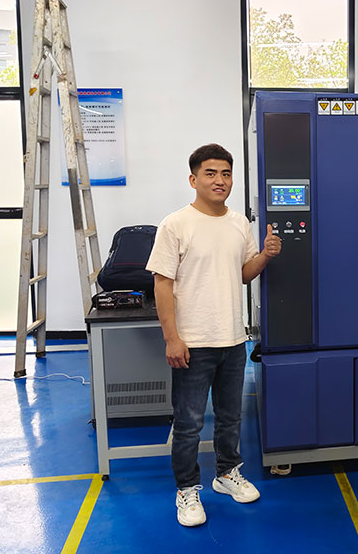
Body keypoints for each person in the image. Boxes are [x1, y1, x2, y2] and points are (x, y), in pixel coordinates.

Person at [146, 143, 281, 526]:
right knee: (189, 424)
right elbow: (162, 284)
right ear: (193, 180)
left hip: (233, 339)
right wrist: (172, 338)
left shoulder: (239, 223)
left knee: (230, 417)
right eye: (210, 173)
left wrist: (265, 255)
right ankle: (187, 490)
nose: (219, 180)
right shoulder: (176, 224)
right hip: (193, 342)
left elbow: (243, 273)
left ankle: (226, 474)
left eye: (225, 173)